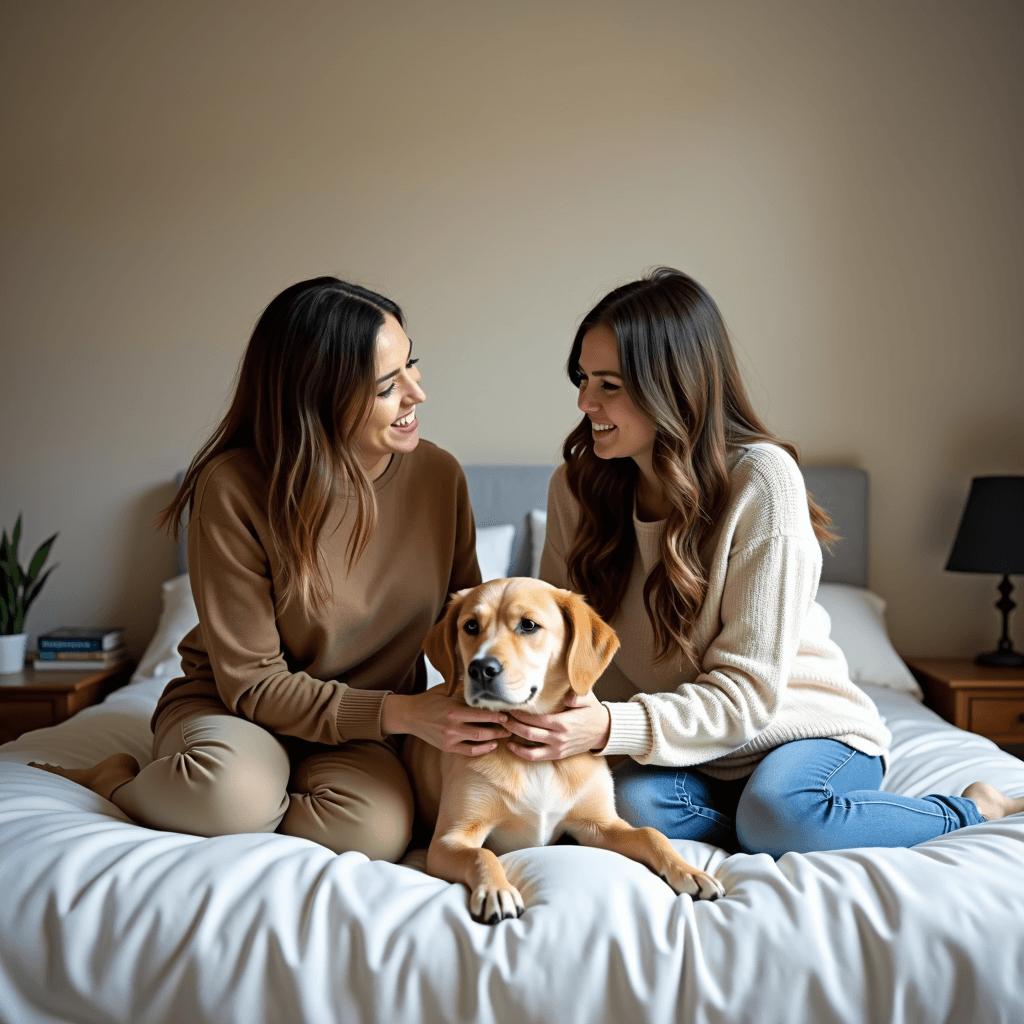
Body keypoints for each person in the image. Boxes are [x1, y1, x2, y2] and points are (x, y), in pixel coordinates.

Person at [502, 267, 1024, 856]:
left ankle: (973, 806)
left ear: (672, 388)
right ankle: (757, 824)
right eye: (583, 379)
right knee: (634, 807)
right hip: (687, 746)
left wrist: (607, 727)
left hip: (802, 729)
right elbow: (549, 648)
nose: (584, 402)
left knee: (782, 814)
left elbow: (748, 694)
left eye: (610, 385)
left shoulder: (763, 481)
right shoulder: (576, 488)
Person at [31, 277, 513, 861]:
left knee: (375, 832)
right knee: (229, 795)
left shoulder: (439, 475)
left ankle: (268, 794)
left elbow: (464, 619)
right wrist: (403, 712)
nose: (417, 393)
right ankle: (115, 778)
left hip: (361, 724)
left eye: (412, 365)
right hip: (237, 709)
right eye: (388, 386)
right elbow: (252, 682)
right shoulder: (233, 487)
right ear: (320, 396)